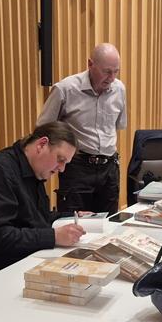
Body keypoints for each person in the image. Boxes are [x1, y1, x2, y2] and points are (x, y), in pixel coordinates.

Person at [0, 122, 86, 286]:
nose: (62, 169)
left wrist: (72, 217)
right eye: (60, 160)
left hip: (23, 261)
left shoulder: (35, 171)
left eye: (66, 163)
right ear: (42, 145)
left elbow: (38, 217)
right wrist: (54, 236)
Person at [36, 43, 127, 214]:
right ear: (90, 64)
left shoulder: (119, 89)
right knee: (74, 221)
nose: (111, 78)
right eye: (107, 71)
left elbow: (117, 126)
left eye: (116, 71)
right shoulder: (65, 89)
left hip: (109, 168)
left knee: (108, 222)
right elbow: (43, 128)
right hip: (77, 167)